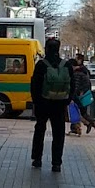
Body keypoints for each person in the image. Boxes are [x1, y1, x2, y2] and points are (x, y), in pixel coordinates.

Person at [30, 36, 72, 171]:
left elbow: (34, 85)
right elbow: (72, 85)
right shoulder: (66, 65)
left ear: (47, 49)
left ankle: (37, 159)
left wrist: (37, 102)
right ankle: (56, 163)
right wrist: (66, 101)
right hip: (60, 104)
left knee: (40, 130)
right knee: (58, 133)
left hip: (43, 103)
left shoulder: (41, 65)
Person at [71, 54, 95, 136]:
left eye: (76, 58)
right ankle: (81, 126)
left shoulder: (78, 72)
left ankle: (89, 124)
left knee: (77, 112)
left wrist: (78, 92)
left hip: (79, 95)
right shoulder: (83, 70)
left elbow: (77, 84)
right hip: (83, 94)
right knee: (80, 112)